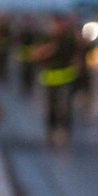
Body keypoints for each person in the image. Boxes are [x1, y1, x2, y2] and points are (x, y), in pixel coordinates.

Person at [33, 12, 80, 147]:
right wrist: (48, 50)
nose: (58, 26)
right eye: (56, 23)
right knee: (51, 110)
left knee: (65, 108)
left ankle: (66, 134)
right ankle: (51, 134)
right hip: (50, 79)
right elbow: (35, 54)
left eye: (61, 23)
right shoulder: (45, 38)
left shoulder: (69, 39)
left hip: (66, 79)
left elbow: (76, 56)